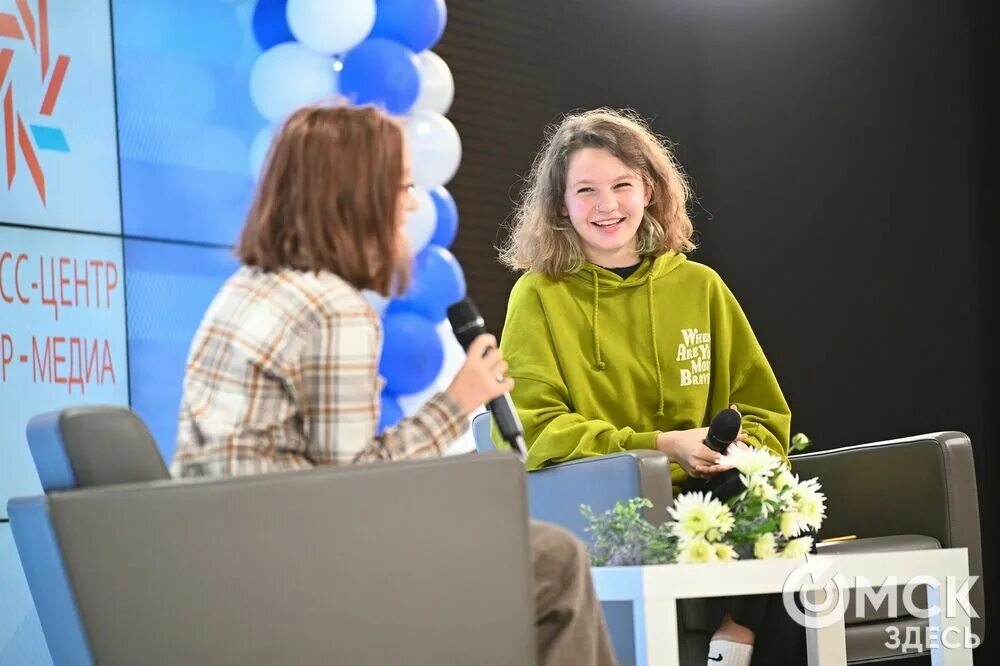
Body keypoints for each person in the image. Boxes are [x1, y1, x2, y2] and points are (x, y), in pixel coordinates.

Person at [170, 104, 617, 666]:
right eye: (403, 185)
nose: (412, 203)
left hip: (231, 553)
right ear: (356, 193)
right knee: (556, 559)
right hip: (298, 564)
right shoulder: (334, 307)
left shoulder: (250, 284)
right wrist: (462, 399)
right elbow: (353, 484)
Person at [496, 108, 798, 666]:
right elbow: (531, 428)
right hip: (605, 500)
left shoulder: (701, 286)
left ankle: (733, 641)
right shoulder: (537, 294)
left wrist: (730, 449)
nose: (606, 205)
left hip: (712, 496)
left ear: (650, 191)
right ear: (560, 204)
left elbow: (763, 413)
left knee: (766, 491)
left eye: (621, 185)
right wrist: (661, 445)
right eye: (585, 190)